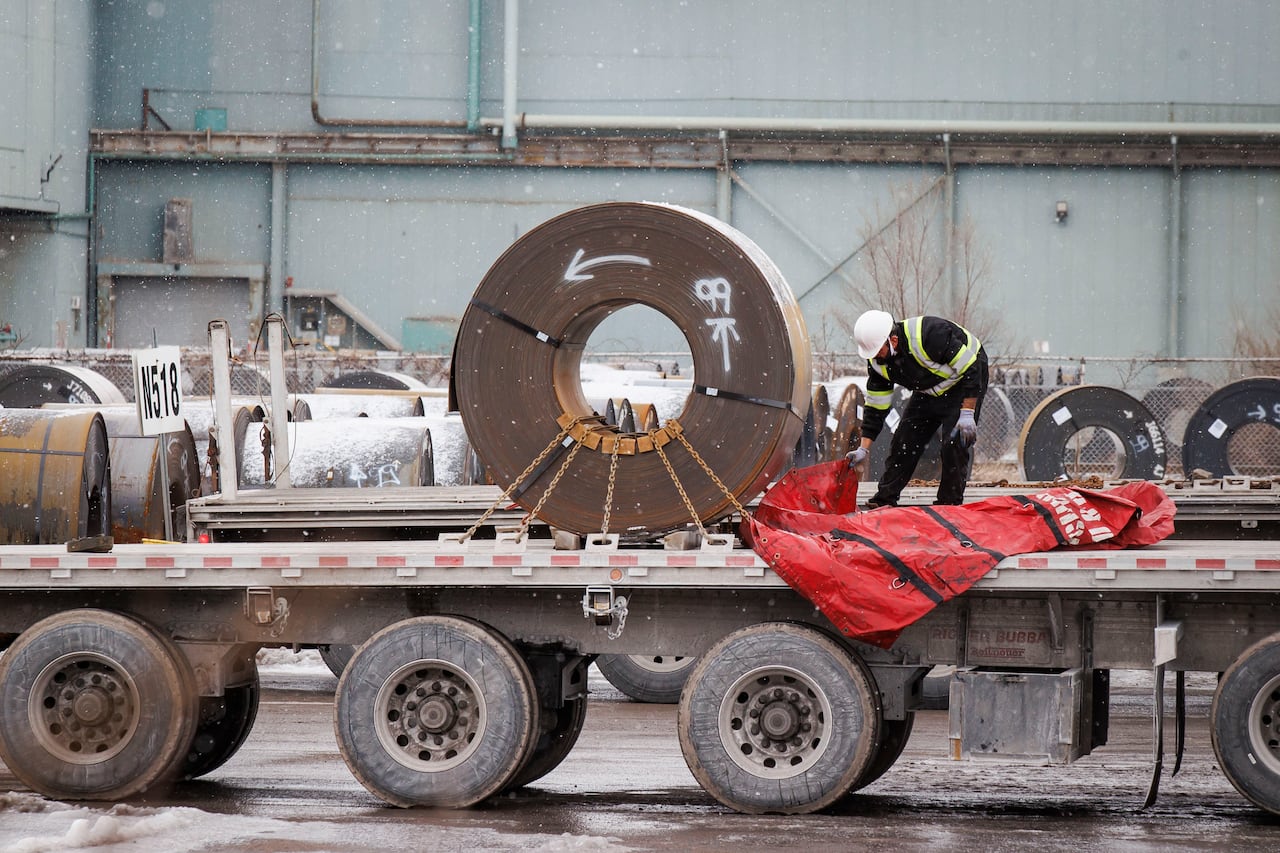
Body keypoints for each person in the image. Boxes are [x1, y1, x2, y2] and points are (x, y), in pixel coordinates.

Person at [846, 310, 989, 508]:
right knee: (904, 441)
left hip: (965, 379)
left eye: (878, 351)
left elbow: (971, 369)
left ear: (893, 341)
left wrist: (966, 413)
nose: (876, 357)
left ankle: (948, 506)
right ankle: (884, 499)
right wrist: (864, 448)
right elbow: (876, 409)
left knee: (954, 444)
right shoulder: (878, 364)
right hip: (928, 389)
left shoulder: (931, 335)